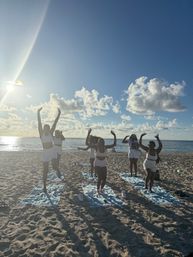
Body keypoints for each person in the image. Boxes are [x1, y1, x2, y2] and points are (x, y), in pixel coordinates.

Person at [37, 107, 61, 193]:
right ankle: (44, 186)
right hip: (45, 153)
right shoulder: (41, 134)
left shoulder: (51, 133)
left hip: (52, 151)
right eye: (45, 128)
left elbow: (55, 123)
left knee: (54, 167)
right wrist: (38, 112)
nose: (46, 129)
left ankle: (57, 169)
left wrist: (59, 114)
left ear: (49, 129)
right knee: (45, 170)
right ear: (43, 129)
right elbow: (39, 123)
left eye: (48, 128)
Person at [86, 129, 116, 195]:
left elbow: (114, 144)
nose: (102, 143)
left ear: (104, 142)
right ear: (99, 142)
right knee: (100, 177)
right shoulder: (96, 147)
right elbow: (87, 143)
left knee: (104, 178)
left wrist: (114, 135)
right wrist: (88, 134)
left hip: (103, 163)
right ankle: (98, 189)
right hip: (97, 163)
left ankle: (101, 188)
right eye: (100, 142)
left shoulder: (105, 147)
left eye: (102, 141)